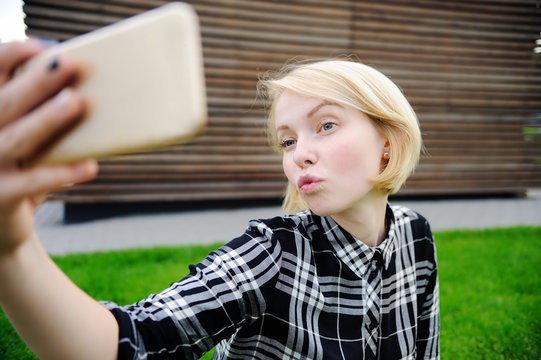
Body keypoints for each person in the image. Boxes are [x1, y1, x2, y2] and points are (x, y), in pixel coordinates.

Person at [0, 41, 439, 360]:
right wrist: (13, 251)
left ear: (389, 140)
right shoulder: (273, 253)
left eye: (325, 125)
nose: (298, 154)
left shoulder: (416, 235)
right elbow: (130, 343)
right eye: (287, 141)